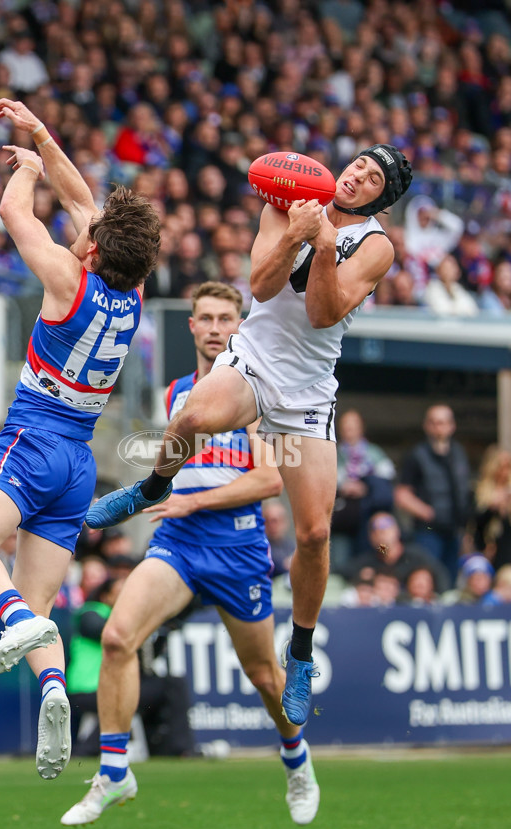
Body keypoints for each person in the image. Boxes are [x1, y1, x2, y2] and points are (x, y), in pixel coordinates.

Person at [85, 144, 413, 728]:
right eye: (359, 164)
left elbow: (321, 313)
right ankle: (152, 488)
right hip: (254, 361)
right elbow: (260, 288)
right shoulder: (288, 201)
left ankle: (303, 652)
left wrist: (321, 245)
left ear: (379, 198)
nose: (359, 174)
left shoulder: (376, 245)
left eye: (373, 177)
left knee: (313, 533)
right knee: (188, 418)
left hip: (309, 390)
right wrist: (296, 231)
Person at [0, 97, 161, 781]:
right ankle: (55, 691)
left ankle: (10, 614)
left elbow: (13, 214)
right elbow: (83, 199)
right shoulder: (133, 291)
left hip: (30, 440)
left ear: (90, 247)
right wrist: (38, 132)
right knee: (38, 610)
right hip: (77, 463)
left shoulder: (68, 278)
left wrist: (24, 168)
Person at [61, 282, 320, 828]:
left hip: (237, 548)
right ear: (192, 325)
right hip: (178, 544)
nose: (216, 327)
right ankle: (113, 771)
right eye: (205, 317)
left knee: (265, 676)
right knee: (116, 636)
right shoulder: (176, 392)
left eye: (226, 318)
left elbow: (269, 481)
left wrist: (193, 500)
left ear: (239, 326)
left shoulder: (253, 396)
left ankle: (296, 759)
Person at [66, 577, 194, 758]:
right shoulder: (91, 612)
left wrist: (164, 631)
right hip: (89, 689)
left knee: (156, 687)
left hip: (110, 687)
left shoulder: (128, 623)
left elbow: (143, 658)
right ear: (105, 596)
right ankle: (181, 748)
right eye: (121, 593)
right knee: (169, 685)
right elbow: (108, 635)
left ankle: (162, 746)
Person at [394, 404, 472, 584]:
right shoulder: (417, 455)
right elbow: (402, 495)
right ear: (427, 426)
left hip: (455, 530)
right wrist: (428, 513)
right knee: (429, 579)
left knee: (452, 580)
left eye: (443, 422)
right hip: (428, 531)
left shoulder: (458, 453)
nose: (439, 427)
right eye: (434, 423)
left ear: (452, 426)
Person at [331, 408, 395, 573]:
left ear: (361, 428)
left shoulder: (374, 453)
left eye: (352, 427)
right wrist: (342, 487)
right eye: (345, 427)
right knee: (341, 563)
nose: (348, 431)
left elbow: (388, 481)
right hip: (342, 522)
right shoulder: (333, 453)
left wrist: (366, 487)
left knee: (378, 555)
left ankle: (377, 590)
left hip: (370, 521)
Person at [342, 511, 451, 595]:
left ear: (397, 531)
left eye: (386, 528)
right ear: (370, 538)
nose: (381, 534)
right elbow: (341, 573)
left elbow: (442, 578)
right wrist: (361, 578)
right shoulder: (367, 562)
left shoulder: (416, 557)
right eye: (376, 531)